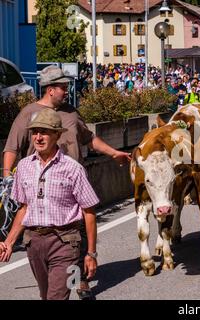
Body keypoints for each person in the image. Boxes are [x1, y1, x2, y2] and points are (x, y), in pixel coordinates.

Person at [2, 65, 131, 300]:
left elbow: (89, 139)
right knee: (50, 286)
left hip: (71, 182)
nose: (66, 91)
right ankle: (68, 282)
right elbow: (11, 147)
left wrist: (114, 153)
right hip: (39, 187)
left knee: (76, 238)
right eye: (63, 87)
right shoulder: (28, 114)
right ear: (51, 89)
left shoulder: (71, 113)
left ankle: (78, 280)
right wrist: (6, 175)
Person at [0, 108, 99, 300]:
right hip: (33, 242)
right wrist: (9, 242)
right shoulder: (24, 166)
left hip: (65, 241)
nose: (38, 137)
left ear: (57, 135)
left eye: (44, 132)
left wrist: (91, 253)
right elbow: (24, 207)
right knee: (45, 296)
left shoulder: (73, 169)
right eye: (35, 132)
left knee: (57, 296)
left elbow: (89, 211)